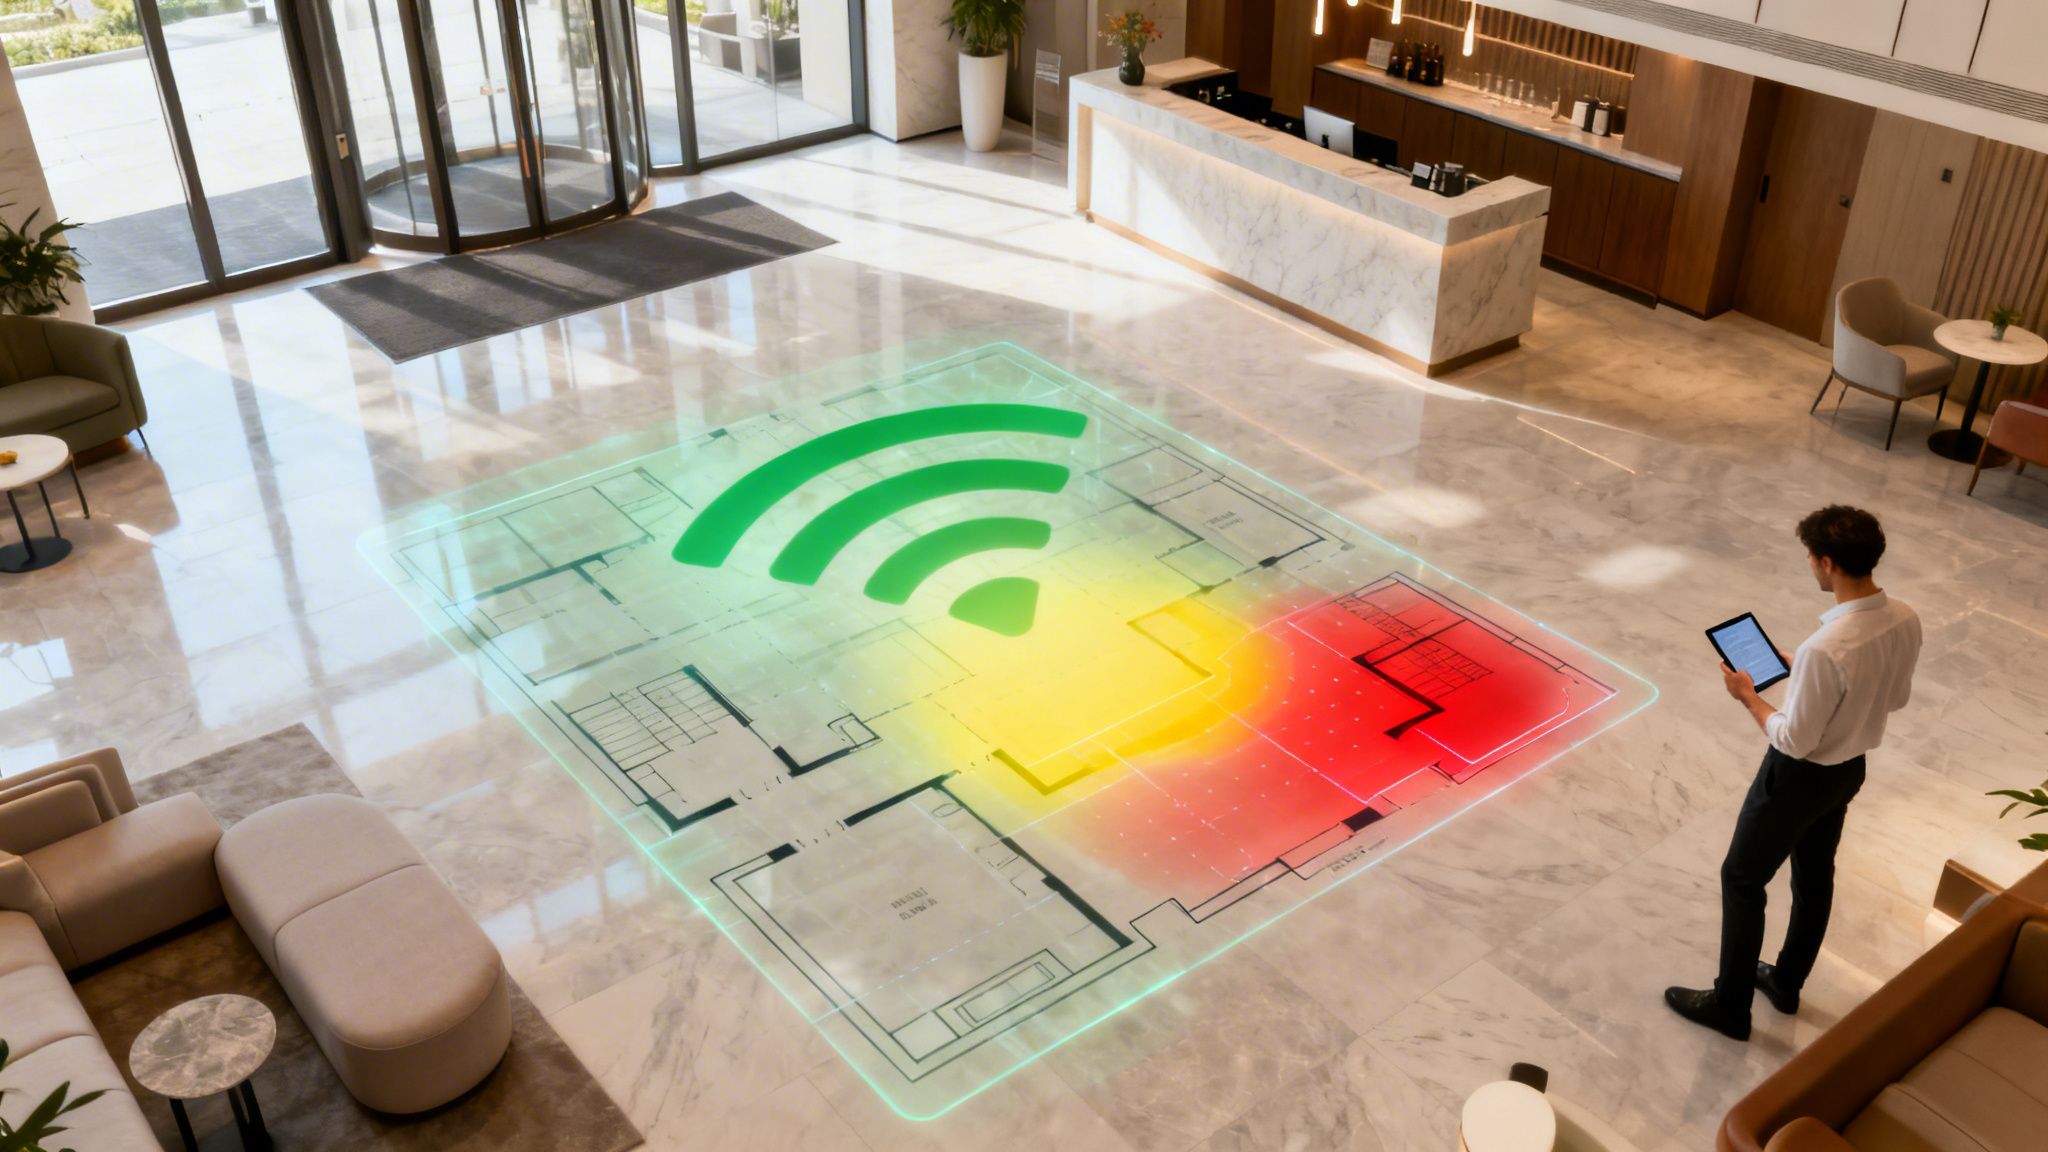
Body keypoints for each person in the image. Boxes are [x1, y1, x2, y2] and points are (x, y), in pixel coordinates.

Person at [1665, 505, 1921, 1040]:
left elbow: (1793, 738)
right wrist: (1803, 674)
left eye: (1810, 557)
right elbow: (1892, 698)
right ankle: (1785, 982)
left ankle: (1730, 1006)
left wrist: (1748, 697)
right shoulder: (1904, 618)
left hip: (1797, 780)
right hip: (1848, 772)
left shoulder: (1824, 649)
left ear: (1826, 563)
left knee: (1741, 878)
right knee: (1814, 874)